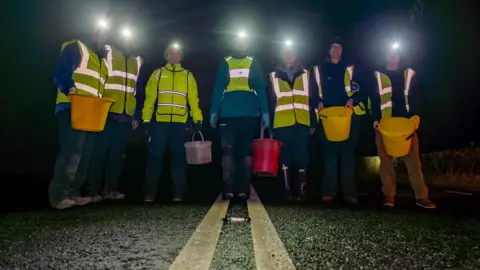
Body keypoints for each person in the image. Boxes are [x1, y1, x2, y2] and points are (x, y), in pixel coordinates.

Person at [49, 28, 109, 210]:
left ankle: (74, 193)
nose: (102, 37)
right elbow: (61, 71)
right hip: (71, 106)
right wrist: (69, 88)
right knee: (71, 152)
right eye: (99, 32)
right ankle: (59, 196)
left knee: (85, 153)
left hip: (91, 112)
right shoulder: (77, 47)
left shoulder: (101, 60)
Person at [371, 45, 436, 209]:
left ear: (399, 55)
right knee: (386, 162)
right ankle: (389, 196)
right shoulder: (377, 75)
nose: (392, 55)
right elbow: (372, 99)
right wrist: (374, 119)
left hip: (406, 125)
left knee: (413, 161)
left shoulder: (409, 74)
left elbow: (417, 97)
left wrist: (415, 118)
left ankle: (422, 197)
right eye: (389, 51)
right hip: (385, 124)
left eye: (395, 52)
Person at [84, 31, 145, 203]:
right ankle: (92, 191)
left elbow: (138, 90)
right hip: (106, 112)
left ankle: (110, 189)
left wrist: (137, 114)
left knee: (117, 155)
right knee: (99, 152)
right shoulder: (107, 52)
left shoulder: (137, 60)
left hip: (126, 116)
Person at [210, 32, 269, 200]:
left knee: (245, 153)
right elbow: (218, 89)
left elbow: (260, 89)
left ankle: (244, 189)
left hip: (249, 115)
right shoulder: (226, 62)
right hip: (228, 115)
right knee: (228, 151)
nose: (241, 44)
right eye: (238, 41)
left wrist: (264, 111)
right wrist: (214, 111)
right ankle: (228, 188)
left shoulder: (253, 62)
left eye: (244, 41)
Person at [142, 43, 203, 203]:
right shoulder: (158, 74)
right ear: (166, 55)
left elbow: (193, 101)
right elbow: (149, 99)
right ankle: (149, 193)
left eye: (177, 53)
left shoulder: (188, 76)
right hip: (160, 123)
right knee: (155, 157)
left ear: (181, 56)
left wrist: (198, 119)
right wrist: (146, 120)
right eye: (171, 53)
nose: (174, 56)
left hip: (180, 123)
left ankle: (178, 193)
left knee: (179, 159)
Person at [312, 37, 367, 204]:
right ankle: (329, 191)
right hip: (327, 118)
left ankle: (349, 193)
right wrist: (317, 102)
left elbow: (364, 89)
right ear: (328, 50)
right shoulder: (318, 69)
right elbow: (311, 92)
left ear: (342, 51)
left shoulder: (352, 68)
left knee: (347, 156)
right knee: (330, 157)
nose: (336, 50)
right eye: (333, 47)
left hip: (349, 118)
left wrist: (354, 100)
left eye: (339, 48)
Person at [268, 42, 316, 202]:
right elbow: (270, 102)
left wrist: (313, 121)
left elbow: (313, 100)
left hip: (302, 122)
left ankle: (302, 190)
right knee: (284, 157)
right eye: (286, 52)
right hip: (282, 123)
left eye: (292, 51)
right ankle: (286, 190)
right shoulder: (273, 76)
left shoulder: (307, 75)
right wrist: (270, 124)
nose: (289, 54)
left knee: (302, 156)